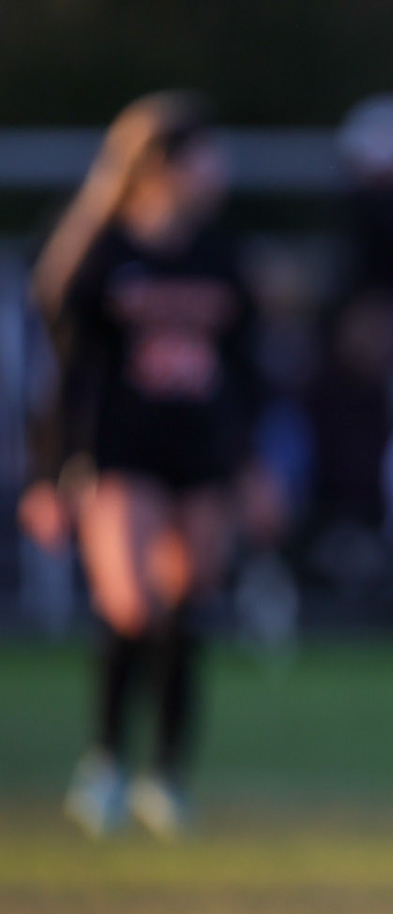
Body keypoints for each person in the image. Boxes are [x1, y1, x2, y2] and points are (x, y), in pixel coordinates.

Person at [16, 93, 259, 839]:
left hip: (201, 448)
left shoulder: (219, 253)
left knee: (190, 601)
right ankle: (105, 765)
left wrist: (251, 460)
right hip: (122, 448)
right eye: (203, 156)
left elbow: (248, 366)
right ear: (161, 165)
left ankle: (168, 772)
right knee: (130, 605)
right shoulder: (101, 253)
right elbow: (63, 374)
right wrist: (51, 472)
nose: (217, 170)